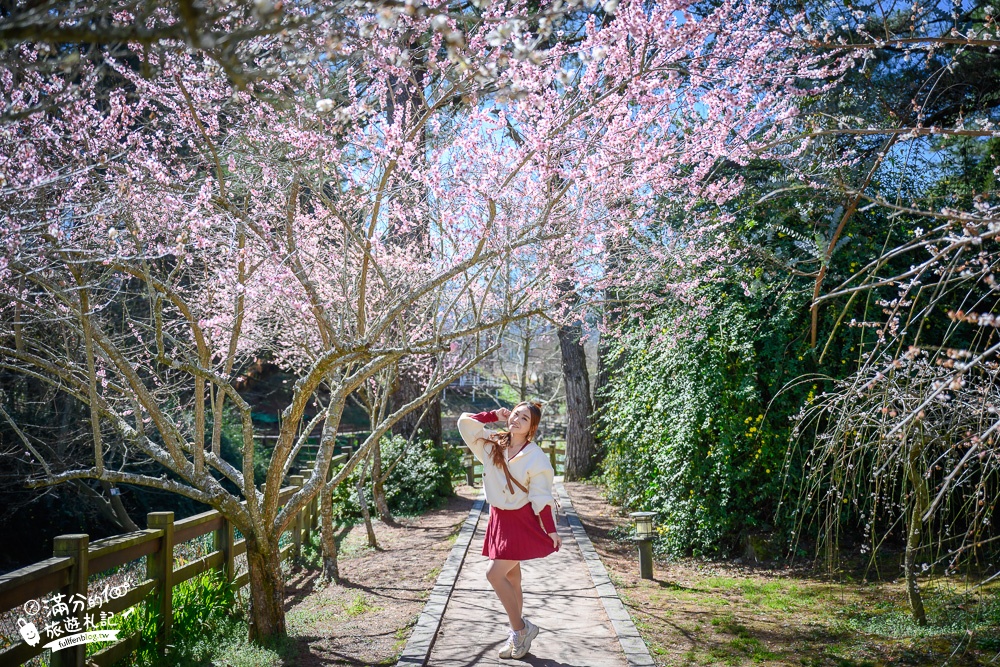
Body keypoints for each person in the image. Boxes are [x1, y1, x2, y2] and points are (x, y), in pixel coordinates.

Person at [457, 401, 562, 660]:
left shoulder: (536, 456)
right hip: (498, 518)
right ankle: (518, 637)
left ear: (532, 428)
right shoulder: (493, 442)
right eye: (515, 414)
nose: (516, 420)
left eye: (523, 418)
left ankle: (521, 628)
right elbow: (464, 423)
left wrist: (550, 530)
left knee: (494, 575)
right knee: (512, 578)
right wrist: (493, 415)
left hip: (520, 520)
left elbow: (541, 496)